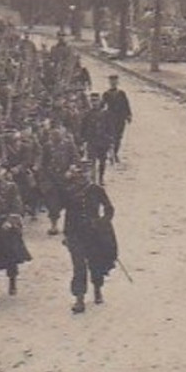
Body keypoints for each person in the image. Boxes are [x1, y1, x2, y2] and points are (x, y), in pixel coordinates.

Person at [60, 164, 117, 314]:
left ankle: (97, 288)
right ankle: (79, 298)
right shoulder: (69, 191)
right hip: (75, 233)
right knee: (79, 265)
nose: (84, 176)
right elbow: (64, 211)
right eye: (80, 173)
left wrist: (101, 223)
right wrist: (66, 234)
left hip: (93, 233)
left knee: (95, 262)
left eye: (87, 173)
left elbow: (109, 209)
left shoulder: (97, 190)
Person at [101, 76, 133, 163]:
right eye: (112, 81)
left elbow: (126, 105)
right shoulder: (106, 94)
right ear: (109, 82)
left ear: (117, 82)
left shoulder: (122, 93)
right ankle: (110, 153)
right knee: (111, 136)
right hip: (110, 118)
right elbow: (102, 105)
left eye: (115, 81)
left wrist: (129, 115)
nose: (113, 83)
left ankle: (115, 153)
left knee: (119, 136)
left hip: (120, 118)